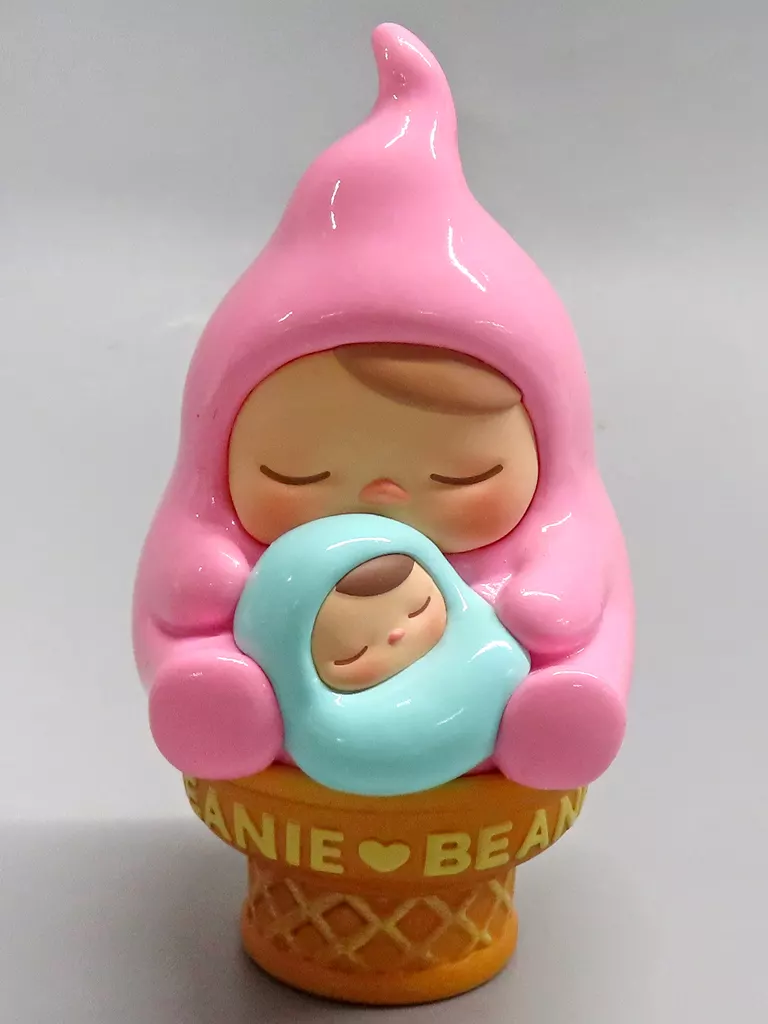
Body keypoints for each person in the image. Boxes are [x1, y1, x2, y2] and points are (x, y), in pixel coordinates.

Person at [134, 26, 633, 789]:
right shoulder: (230, 533)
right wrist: (208, 582)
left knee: (566, 650)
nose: (383, 495)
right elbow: (182, 582)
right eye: (299, 473)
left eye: (462, 475)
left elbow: (575, 577)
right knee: (205, 637)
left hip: (486, 683)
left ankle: (555, 717)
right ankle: (224, 707)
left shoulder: (548, 524)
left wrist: (547, 599)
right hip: (283, 685)